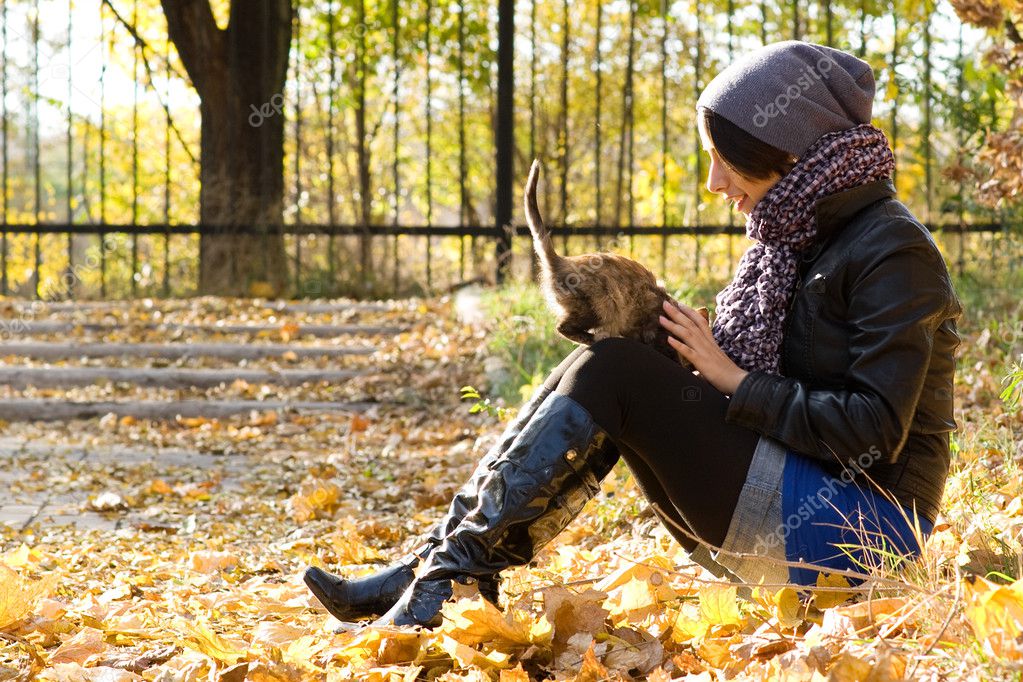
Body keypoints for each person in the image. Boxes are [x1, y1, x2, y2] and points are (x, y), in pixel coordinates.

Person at [304, 40, 961, 627]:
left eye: (722, 159)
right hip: (797, 493)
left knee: (616, 368)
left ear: (784, 148)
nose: (713, 183)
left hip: (861, 535)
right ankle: (436, 568)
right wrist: (694, 360)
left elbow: (872, 431)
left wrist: (732, 378)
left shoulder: (891, 250)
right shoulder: (791, 239)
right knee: (615, 355)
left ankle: (445, 582)